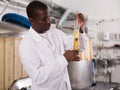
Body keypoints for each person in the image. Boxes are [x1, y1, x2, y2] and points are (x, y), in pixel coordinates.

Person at [19, 1, 88, 90]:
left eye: (48, 17)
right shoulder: (27, 44)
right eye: (44, 19)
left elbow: (78, 47)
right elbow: (38, 77)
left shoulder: (55, 33)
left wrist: (80, 28)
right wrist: (64, 59)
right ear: (32, 21)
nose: (48, 21)